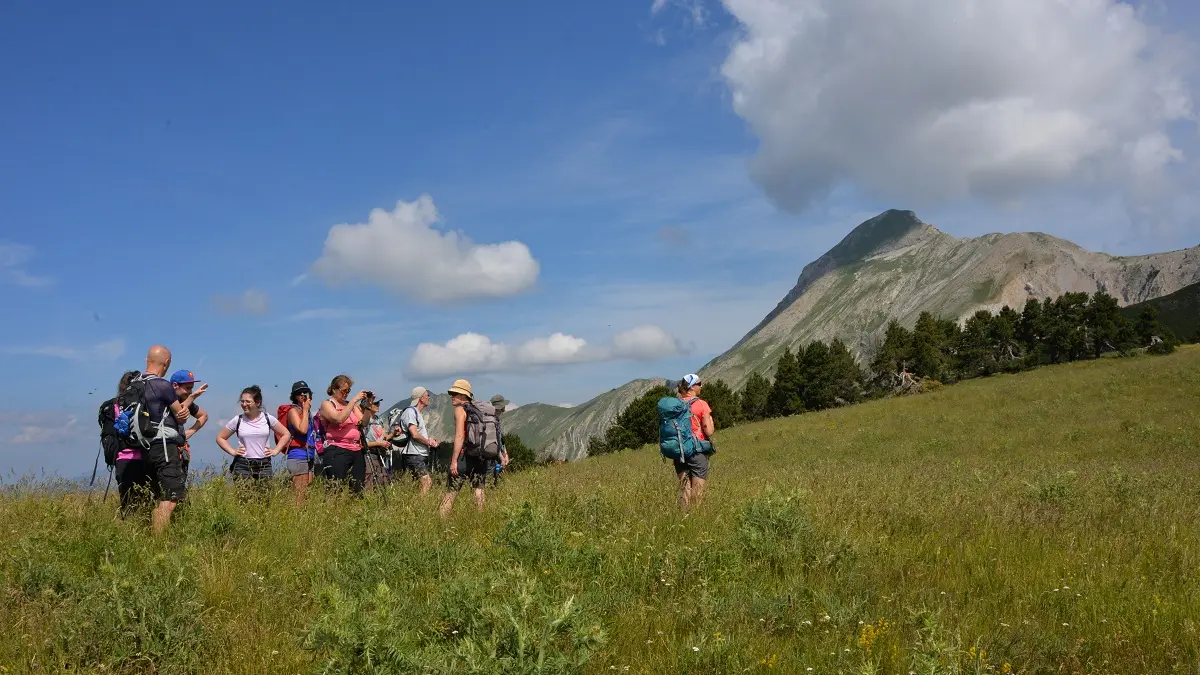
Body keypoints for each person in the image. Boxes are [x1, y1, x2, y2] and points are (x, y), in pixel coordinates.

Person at [134, 345, 194, 535]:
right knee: (170, 497)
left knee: (155, 494)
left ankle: (151, 532)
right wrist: (190, 401)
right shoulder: (162, 385)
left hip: (141, 447)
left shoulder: (133, 384)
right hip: (164, 448)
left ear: (147, 360)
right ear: (166, 362)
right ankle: (160, 543)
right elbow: (181, 415)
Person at [439, 379, 495, 518]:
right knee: (479, 490)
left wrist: (454, 461)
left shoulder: (460, 410)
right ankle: (481, 521)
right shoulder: (478, 410)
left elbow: (459, 436)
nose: (452, 396)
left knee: (451, 493)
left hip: (464, 456)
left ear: (464, 396)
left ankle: (441, 523)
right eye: (452, 393)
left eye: (456, 393)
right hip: (480, 455)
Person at [215, 385, 290, 483]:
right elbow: (220, 437)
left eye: (248, 401)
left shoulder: (267, 418)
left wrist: (275, 451)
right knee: (244, 496)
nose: (244, 404)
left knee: (264, 496)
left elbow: (286, 434)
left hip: (264, 464)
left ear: (258, 403)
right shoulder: (238, 420)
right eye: (242, 401)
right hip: (242, 463)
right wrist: (233, 451)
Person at [101, 370, 148, 516]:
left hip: (122, 459)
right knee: (148, 502)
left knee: (127, 503)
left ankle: (129, 530)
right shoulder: (145, 404)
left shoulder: (112, 406)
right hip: (146, 457)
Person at [319, 375, 368, 493]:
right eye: (344, 391)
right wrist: (354, 400)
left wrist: (368, 407)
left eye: (349, 391)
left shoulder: (351, 405)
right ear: (334, 390)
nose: (346, 393)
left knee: (358, 488)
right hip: (337, 449)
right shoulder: (327, 404)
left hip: (356, 449)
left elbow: (364, 423)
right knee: (336, 488)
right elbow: (338, 419)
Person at [675, 373, 715, 509]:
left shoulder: (676, 405)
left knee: (685, 489)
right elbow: (708, 431)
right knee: (697, 492)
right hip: (697, 452)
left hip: (679, 451)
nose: (701, 386)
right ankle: (695, 518)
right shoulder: (701, 404)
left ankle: (683, 518)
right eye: (699, 384)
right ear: (692, 387)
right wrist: (711, 421)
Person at [393, 386, 439, 496]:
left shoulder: (415, 412)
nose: (429, 397)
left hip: (417, 454)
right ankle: (421, 508)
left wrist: (430, 440)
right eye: (427, 395)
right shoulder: (411, 412)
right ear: (421, 398)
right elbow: (414, 434)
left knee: (417, 485)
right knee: (427, 483)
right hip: (414, 454)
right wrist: (429, 442)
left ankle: (413, 507)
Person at [169, 369, 209, 491]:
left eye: (191, 388)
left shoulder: (185, 401)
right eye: (187, 388)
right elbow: (179, 413)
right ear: (175, 385)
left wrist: (189, 432)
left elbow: (204, 416)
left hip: (179, 451)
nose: (190, 391)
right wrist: (191, 397)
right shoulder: (166, 399)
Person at [282, 381, 318, 504]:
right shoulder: (294, 411)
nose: (303, 395)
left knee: (306, 491)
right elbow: (302, 430)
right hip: (298, 455)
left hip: (309, 455)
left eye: (305, 392)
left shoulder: (307, 414)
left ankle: (303, 517)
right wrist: (306, 410)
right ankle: (297, 517)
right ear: (295, 397)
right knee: (299, 494)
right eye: (299, 393)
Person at [359, 394, 396, 490]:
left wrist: (394, 433)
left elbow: (385, 437)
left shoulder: (378, 419)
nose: (378, 405)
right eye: (376, 403)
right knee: (370, 479)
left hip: (380, 454)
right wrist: (379, 444)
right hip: (369, 455)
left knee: (382, 479)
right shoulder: (364, 421)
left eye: (378, 403)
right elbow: (362, 443)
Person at [489, 394, 512, 487]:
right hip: (492, 459)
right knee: (491, 484)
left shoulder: (497, 420)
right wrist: (502, 458)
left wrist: (505, 454)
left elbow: (501, 440)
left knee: (497, 484)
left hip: (498, 457)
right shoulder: (491, 422)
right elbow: (494, 442)